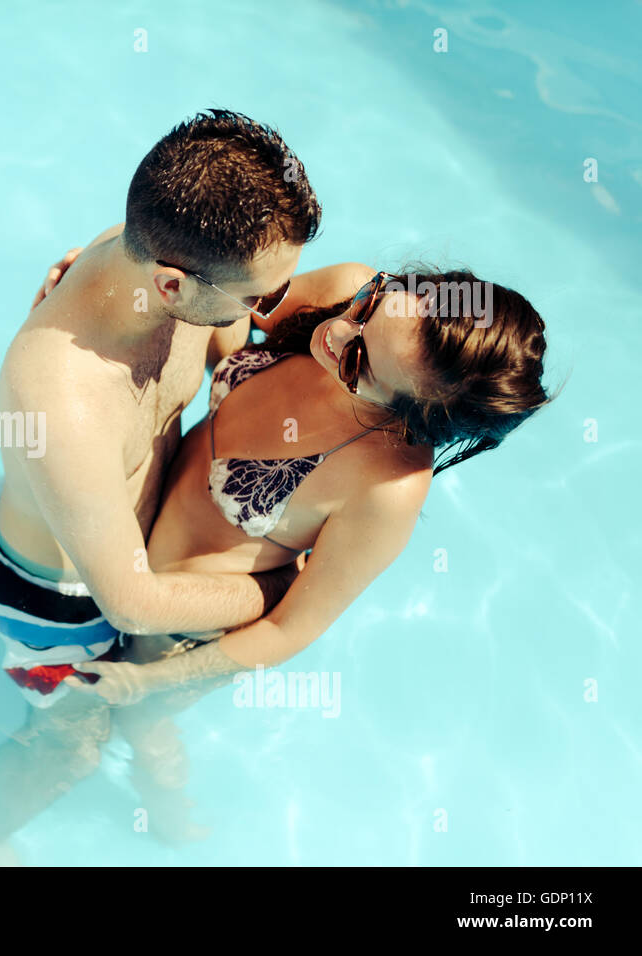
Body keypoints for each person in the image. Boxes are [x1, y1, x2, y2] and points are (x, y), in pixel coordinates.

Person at [63, 261, 554, 839]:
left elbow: (291, 629)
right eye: (374, 304)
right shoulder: (344, 292)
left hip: (184, 621)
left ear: (410, 419)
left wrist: (147, 685)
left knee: (139, 727)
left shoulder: (384, 488)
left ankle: (169, 814)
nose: (338, 331)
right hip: (134, 521)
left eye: (359, 362)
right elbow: (223, 304)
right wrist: (98, 282)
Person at [0, 109, 321, 863]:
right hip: (57, 598)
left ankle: (154, 774)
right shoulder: (62, 397)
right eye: (260, 295)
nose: (271, 307)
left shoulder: (161, 259)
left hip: (119, 535)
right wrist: (285, 587)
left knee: (141, 711)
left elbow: (227, 339)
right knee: (71, 747)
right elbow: (129, 600)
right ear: (170, 283)